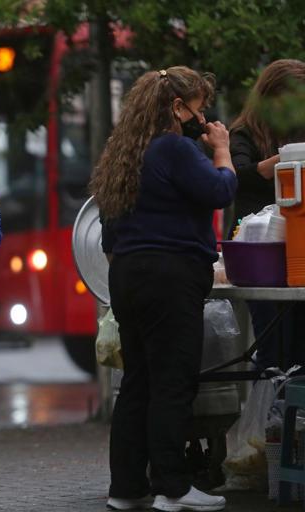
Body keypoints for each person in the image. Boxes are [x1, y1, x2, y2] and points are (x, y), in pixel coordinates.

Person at [91, 67, 237, 512]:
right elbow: (220, 190)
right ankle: (173, 487)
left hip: (128, 277)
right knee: (173, 381)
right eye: (198, 106)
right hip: (170, 276)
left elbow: (109, 237)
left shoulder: (124, 154)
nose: (203, 115)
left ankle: (127, 487)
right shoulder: (174, 148)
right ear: (177, 108)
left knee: (138, 382)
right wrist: (223, 150)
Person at [229, 59, 305, 370]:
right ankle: (270, 410)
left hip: (296, 245)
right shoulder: (243, 132)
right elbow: (237, 176)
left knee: (299, 341)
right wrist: (286, 159)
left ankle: (292, 412)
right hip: (258, 249)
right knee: (271, 342)